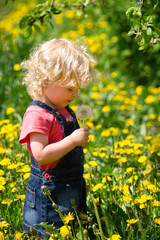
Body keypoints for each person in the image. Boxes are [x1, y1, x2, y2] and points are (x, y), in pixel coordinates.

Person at [19, 38, 98, 239]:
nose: (76, 94)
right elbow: (41, 155)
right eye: (70, 88)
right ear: (46, 81)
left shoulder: (61, 109)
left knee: (71, 230)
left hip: (70, 188)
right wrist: (72, 141)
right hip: (50, 196)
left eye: (77, 88)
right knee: (50, 233)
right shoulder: (38, 115)